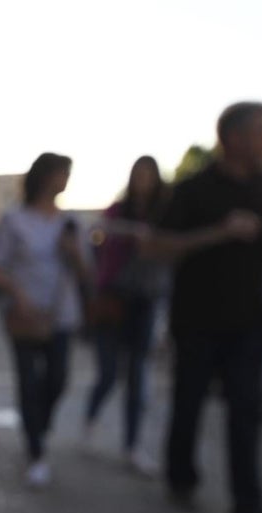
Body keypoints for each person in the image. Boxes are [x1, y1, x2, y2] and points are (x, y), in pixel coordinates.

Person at [148, 102, 262, 513]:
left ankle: (248, 505)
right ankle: (180, 479)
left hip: (250, 319)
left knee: (246, 411)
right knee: (189, 401)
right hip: (197, 318)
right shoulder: (195, 189)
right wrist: (219, 232)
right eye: (260, 130)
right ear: (232, 137)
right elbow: (159, 247)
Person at [0, 153, 88, 487]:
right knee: (28, 382)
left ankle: (38, 427)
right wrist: (17, 292)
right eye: (62, 173)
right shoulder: (15, 220)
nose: (65, 180)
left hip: (60, 315)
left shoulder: (70, 223)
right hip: (24, 314)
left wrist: (73, 252)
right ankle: (36, 450)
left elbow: (88, 272)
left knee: (57, 378)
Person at [83, 156, 168, 474]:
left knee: (137, 376)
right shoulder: (118, 212)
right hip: (113, 301)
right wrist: (131, 232)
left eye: (149, 175)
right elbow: (98, 231)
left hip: (144, 302)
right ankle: (90, 422)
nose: (144, 181)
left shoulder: (163, 215)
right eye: (139, 175)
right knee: (108, 373)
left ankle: (132, 446)